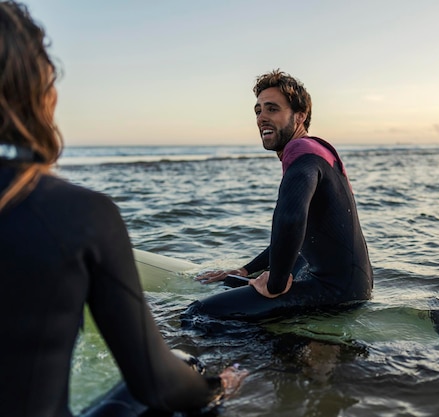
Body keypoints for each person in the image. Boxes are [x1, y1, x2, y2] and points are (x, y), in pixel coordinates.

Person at [0, 2, 246, 416]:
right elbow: (157, 384)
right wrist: (214, 388)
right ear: (40, 89)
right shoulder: (81, 215)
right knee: (189, 372)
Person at [185, 69, 373, 322]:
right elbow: (301, 236)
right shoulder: (318, 150)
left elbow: (290, 218)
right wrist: (246, 270)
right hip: (354, 285)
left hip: (335, 294)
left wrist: (275, 285)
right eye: (258, 110)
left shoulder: (299, 149)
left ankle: (269, 356)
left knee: (199, 315)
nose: (261, 117)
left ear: (300, 116)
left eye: (272, 109)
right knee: (242, 281)